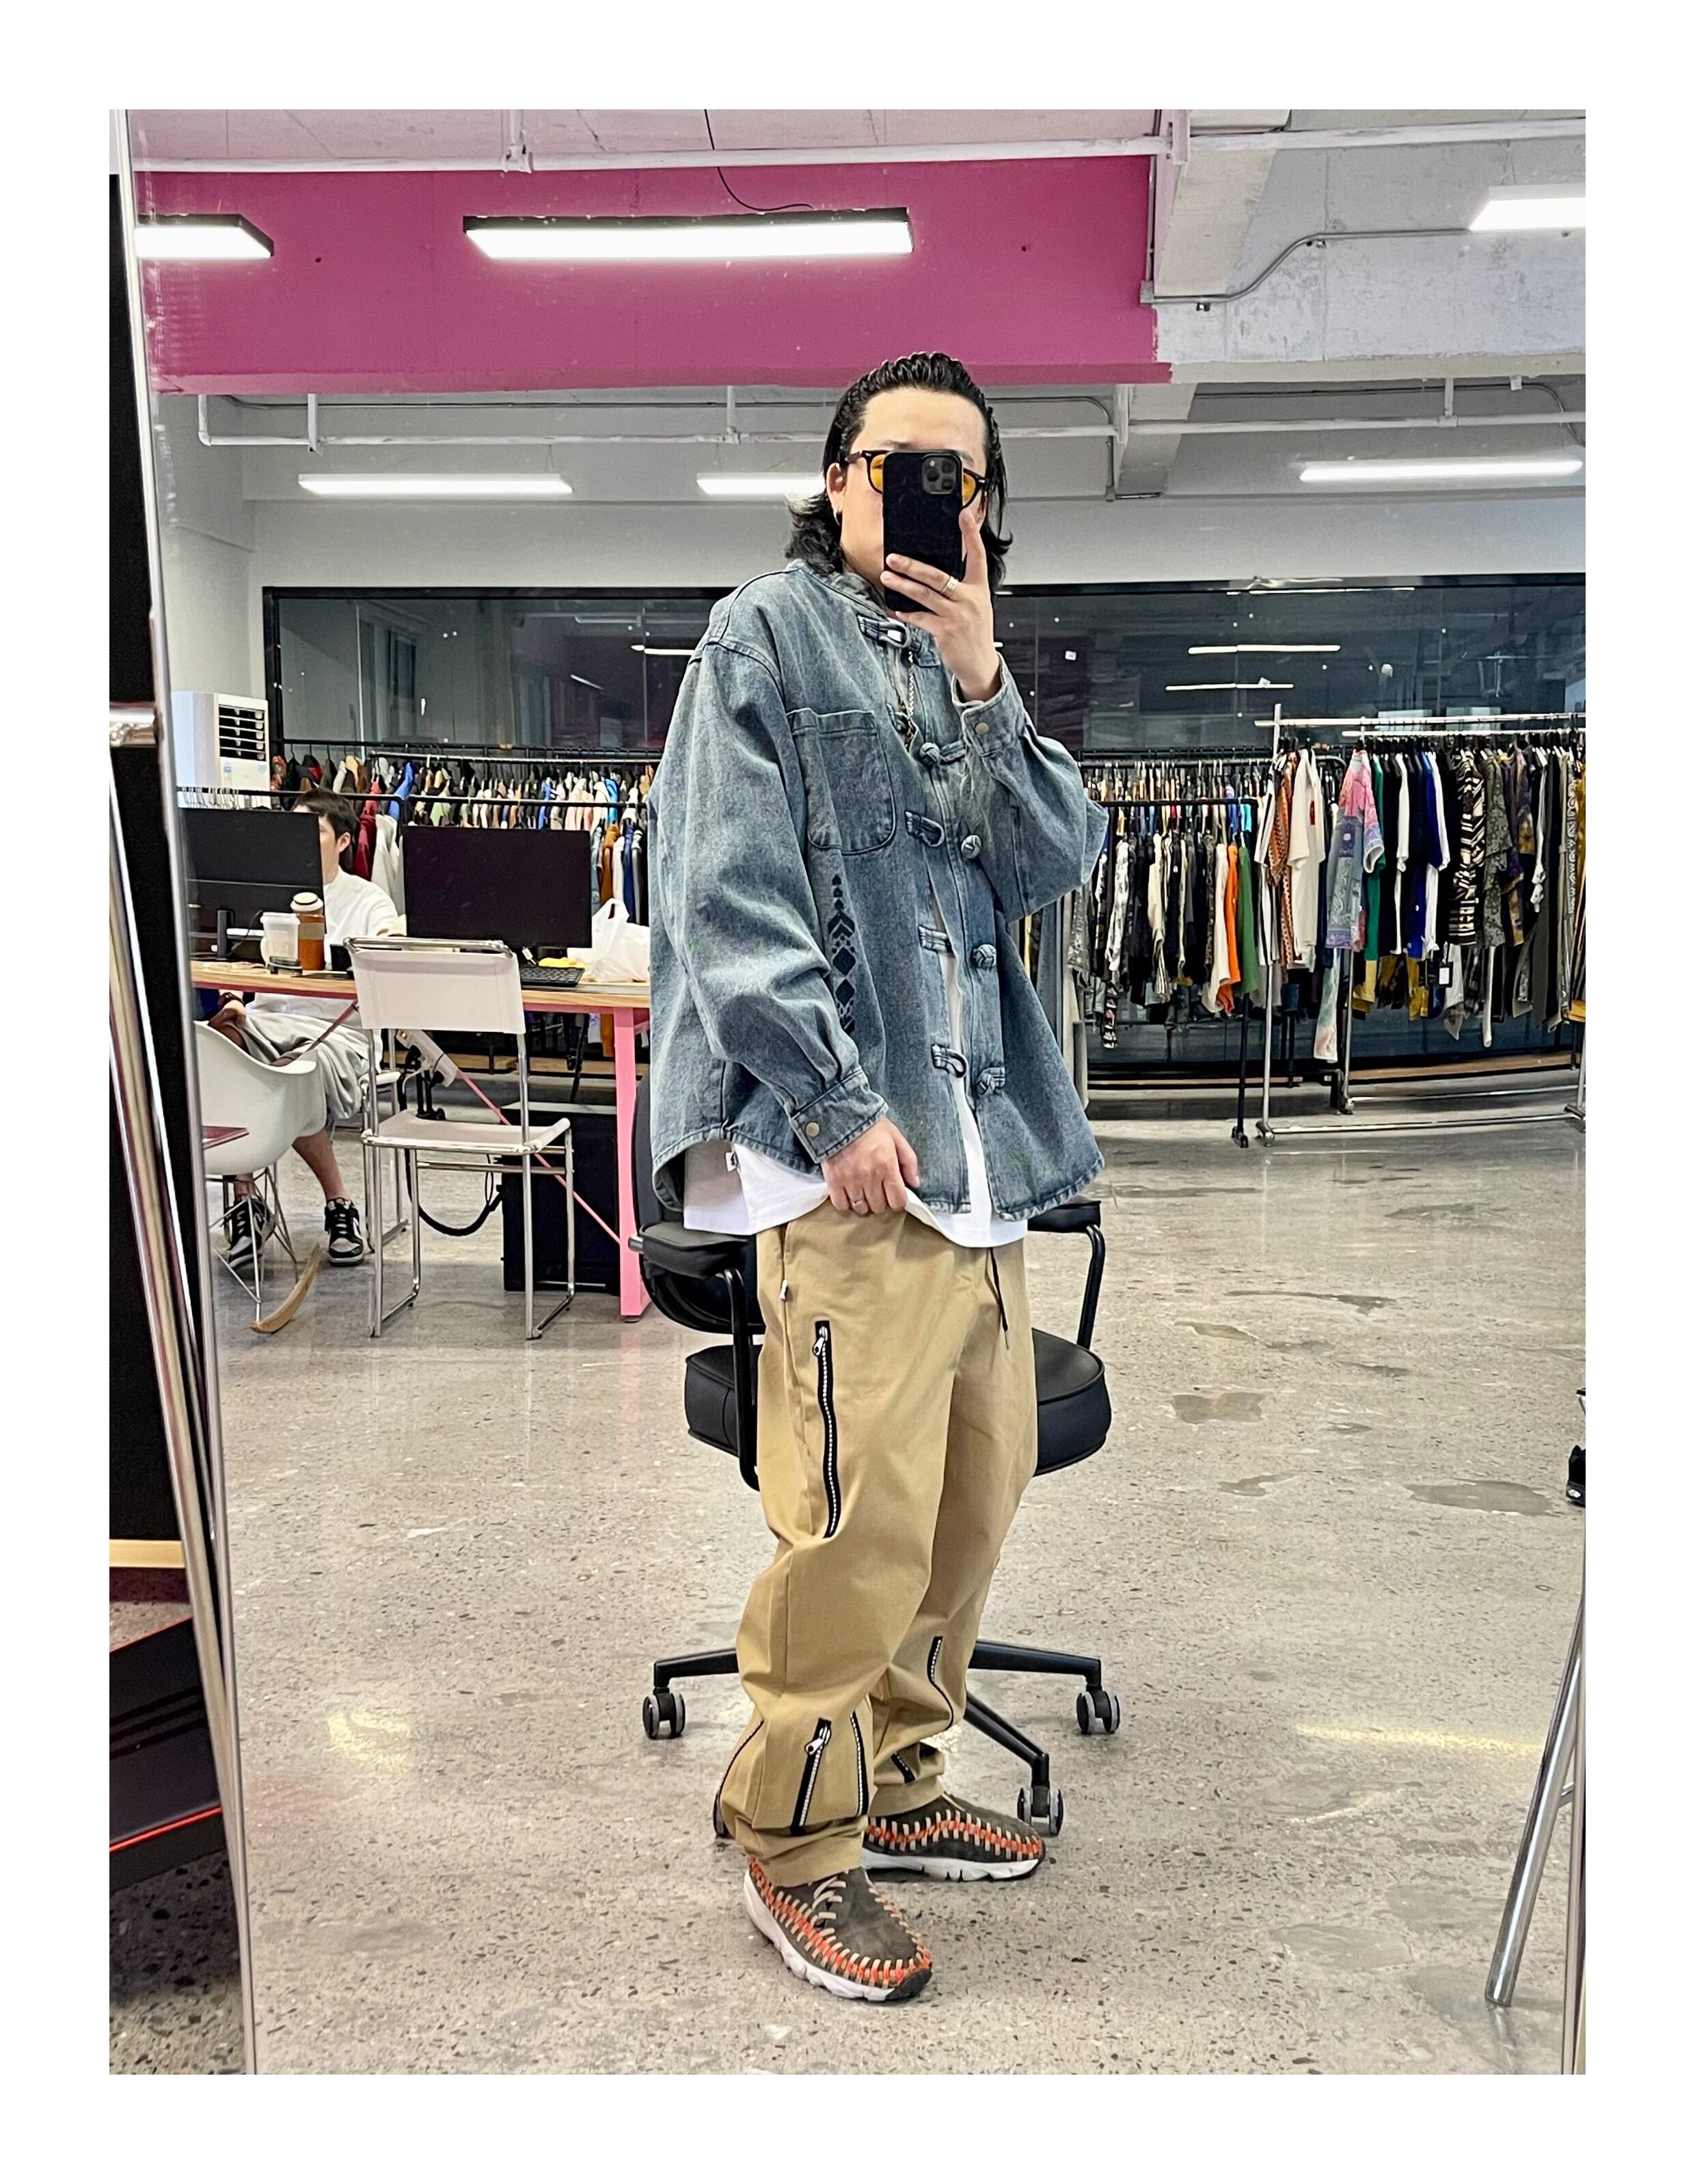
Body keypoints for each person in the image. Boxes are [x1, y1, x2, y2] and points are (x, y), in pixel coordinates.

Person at [648, 352, 1108, 2003]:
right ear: (837, 478)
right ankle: (793, 1837)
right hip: (848, 1168)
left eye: (958, 476)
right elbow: (727, 896)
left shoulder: (967, 661)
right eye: (897, 462)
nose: (927, 494)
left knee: (968, 1512)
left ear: (983, 508)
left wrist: (987, 684)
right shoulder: (761, 638)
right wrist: (835, 1101)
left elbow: (1052, 862)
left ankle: (900, 1781)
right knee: (858, 1526)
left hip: (981, 1171)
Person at [209, 788, 401, 1267]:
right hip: (267, 1021)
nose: (298, 841)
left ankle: (339, 1202)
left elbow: (388, 949)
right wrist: (233, 1000)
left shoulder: (367, 900)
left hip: (337, 1032)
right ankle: (245, 1198)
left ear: (343, 841)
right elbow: (233, 962)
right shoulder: (264, 896)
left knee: (293, 1068)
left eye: (312, 831)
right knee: (220, 1043)